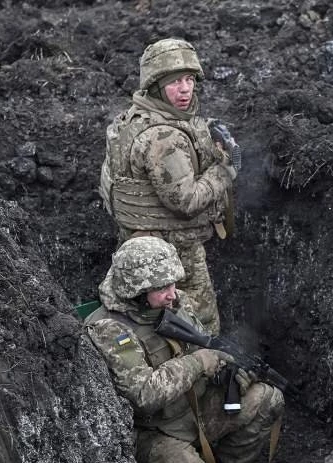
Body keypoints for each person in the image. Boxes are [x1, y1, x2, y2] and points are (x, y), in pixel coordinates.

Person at [83, 236, 284, 463]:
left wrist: (228, 372)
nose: (172, 293)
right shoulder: (111, 330)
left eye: (172, 284)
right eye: (161, 288)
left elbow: (205, 345)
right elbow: (143, 396)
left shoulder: (174, 304)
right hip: (154, 431)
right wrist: (199, 363)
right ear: (137, 290)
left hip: (192, 408)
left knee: (267, 399)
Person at [99, 37, 239, 336]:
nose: (185, 89)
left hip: (138, 245)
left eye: (189, 79)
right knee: (201, 323)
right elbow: (186, 202)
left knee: (146, 320)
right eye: (175, 82)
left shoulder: (133, 119)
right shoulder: (164, 138)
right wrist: (225, 171)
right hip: (174, 252)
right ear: (156, 86)